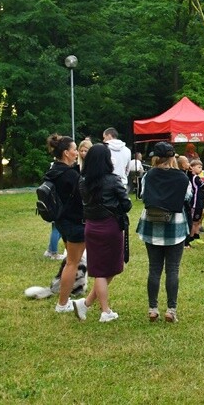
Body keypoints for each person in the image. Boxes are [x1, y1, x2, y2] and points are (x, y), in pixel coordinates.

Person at [137, 141, 192, 323]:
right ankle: (171, 310)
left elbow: (143, 195)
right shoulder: (183, 178)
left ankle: (153, 308)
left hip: (151, 224)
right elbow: (187, 197)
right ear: (172, 157)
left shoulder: (149, 175)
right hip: (175, 226)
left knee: (154, 268)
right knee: (173, 269)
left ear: (155, 157)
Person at [79, 143, 132, 322]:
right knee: (106, 270)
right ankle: (105, 311)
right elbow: (126, 204)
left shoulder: (83, 180)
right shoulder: (113, 180)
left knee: (103, 268)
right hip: (110, 227)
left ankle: (85, 304)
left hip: (91, 227)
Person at [46, 134, 88, 317]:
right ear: (66, 153)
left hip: (61, 221)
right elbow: (82, 198)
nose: (76, 152)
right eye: (74, 149)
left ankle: (63, 300)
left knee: (71, 261)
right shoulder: (70, 175)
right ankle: (62, 303)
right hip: (74, 222)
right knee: (72, 263)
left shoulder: (54, 170)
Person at [184, 159, 204, 248]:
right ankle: (190, 237)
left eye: (201, 167)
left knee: (198, 220)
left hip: (200, 202)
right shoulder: (195, 177)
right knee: (194, 221)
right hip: (195, 203)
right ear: (192, 168)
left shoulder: (195, 176)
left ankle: (196, 235)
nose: (200, 169)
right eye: (198, 167)